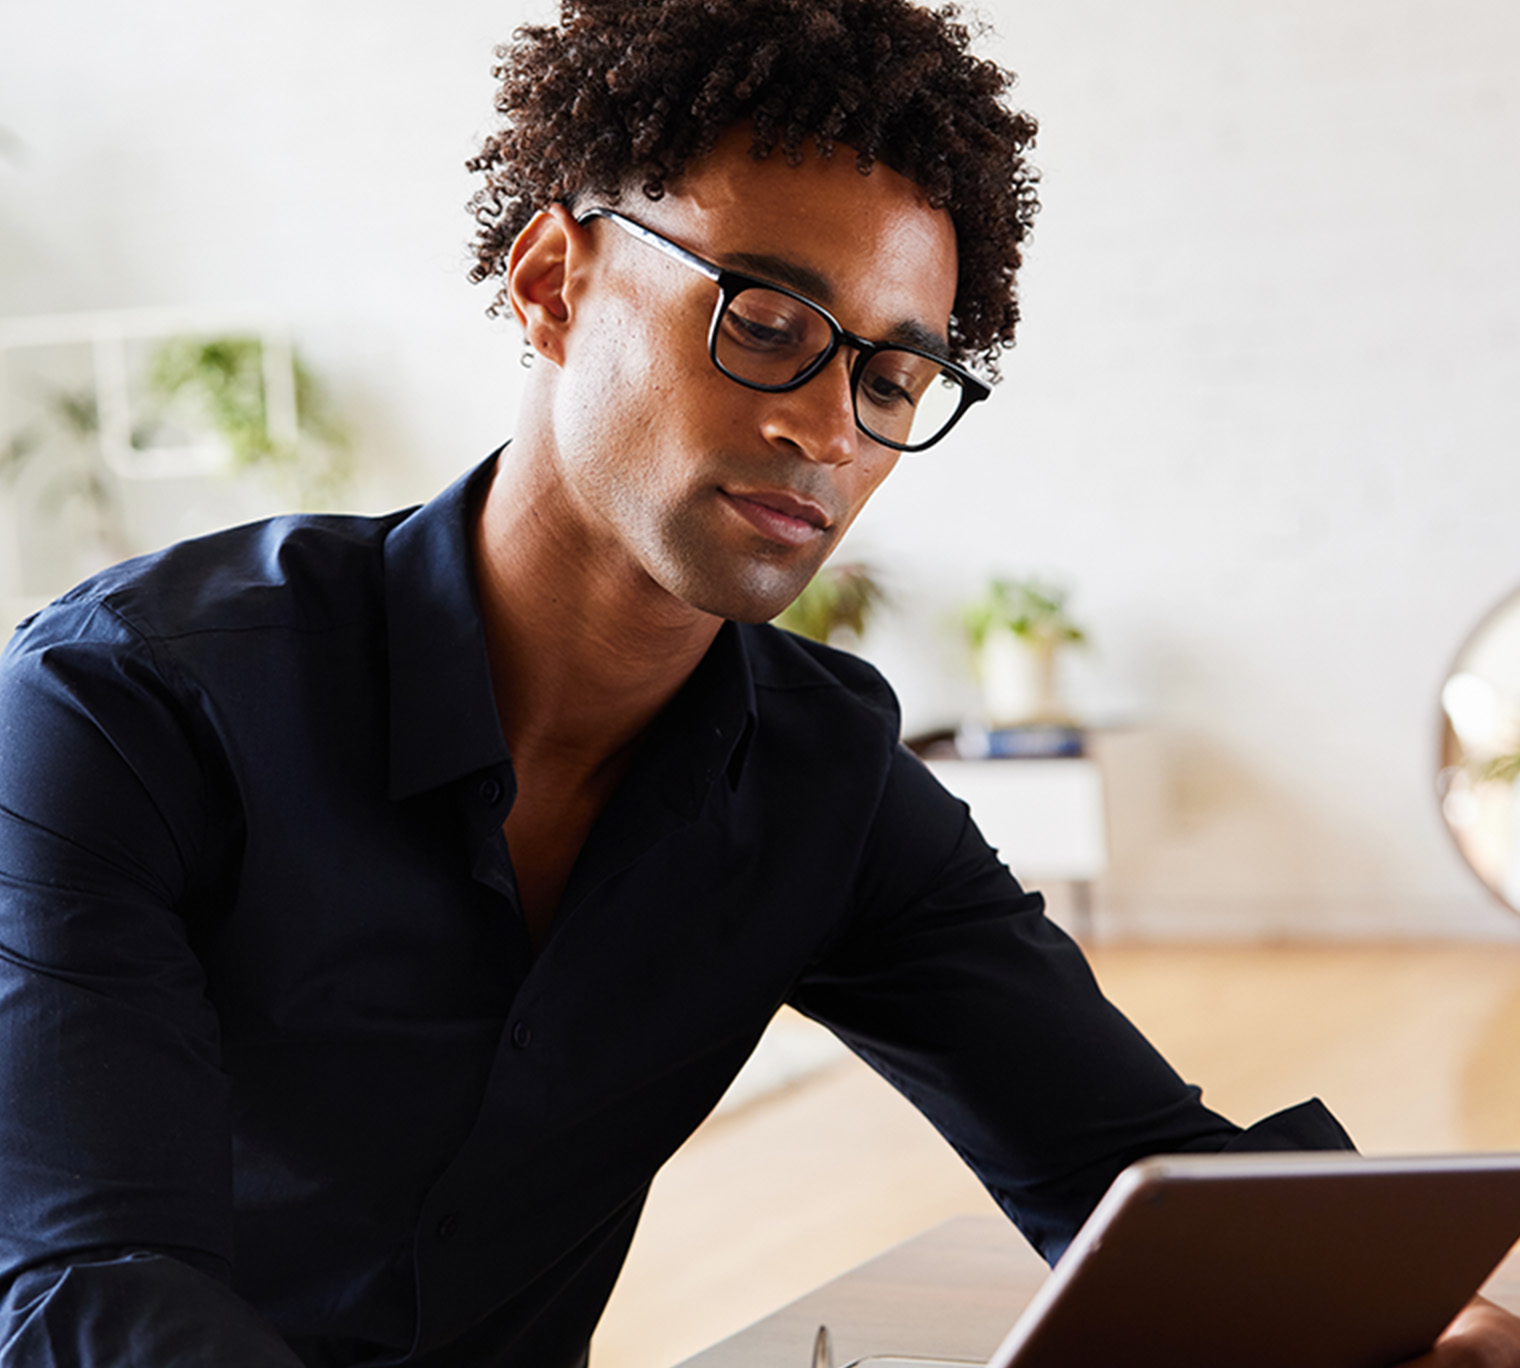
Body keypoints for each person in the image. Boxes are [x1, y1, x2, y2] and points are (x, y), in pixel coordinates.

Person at [0, 1, 1515, 1364]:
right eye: (771, 327)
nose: (832, 433)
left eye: (894, 378)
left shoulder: (822, 783)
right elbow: (93, 1291)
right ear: (549, 281)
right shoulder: (120, 711)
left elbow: (1126, 1175)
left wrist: (1401, 1317)